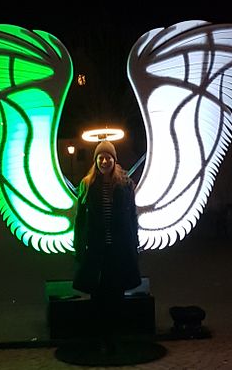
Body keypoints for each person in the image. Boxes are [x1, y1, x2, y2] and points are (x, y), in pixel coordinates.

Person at [73, 140, 141, 350]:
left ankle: (113, 337)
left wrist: (135, 242)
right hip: (96, 250)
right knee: (98, 295)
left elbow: (132, 216)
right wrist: (78, 245)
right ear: (96, 160)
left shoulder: (125, 184)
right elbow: (80, 219)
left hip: (118, 250)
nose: (104, 161)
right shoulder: (87, 184)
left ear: (114, 159)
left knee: (116, 294)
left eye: (108, 157)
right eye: (100, 158)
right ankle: (101, 336)